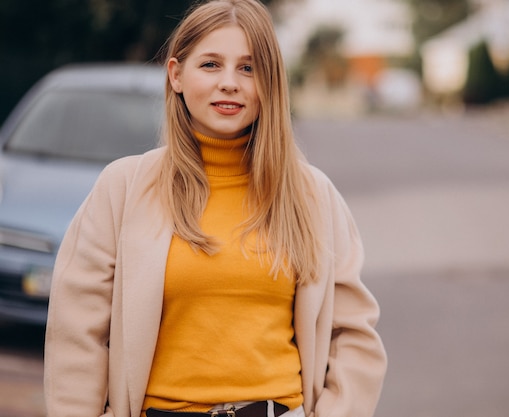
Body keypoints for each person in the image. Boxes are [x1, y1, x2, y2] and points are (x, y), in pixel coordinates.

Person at [43, 0, 387, 416]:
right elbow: (77, 333)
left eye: (248, 67)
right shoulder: (124, 188)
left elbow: (353, 336)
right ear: (176, 75)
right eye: (210, 64)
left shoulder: (312, 195)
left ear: (271, 83)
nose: (230, 83)